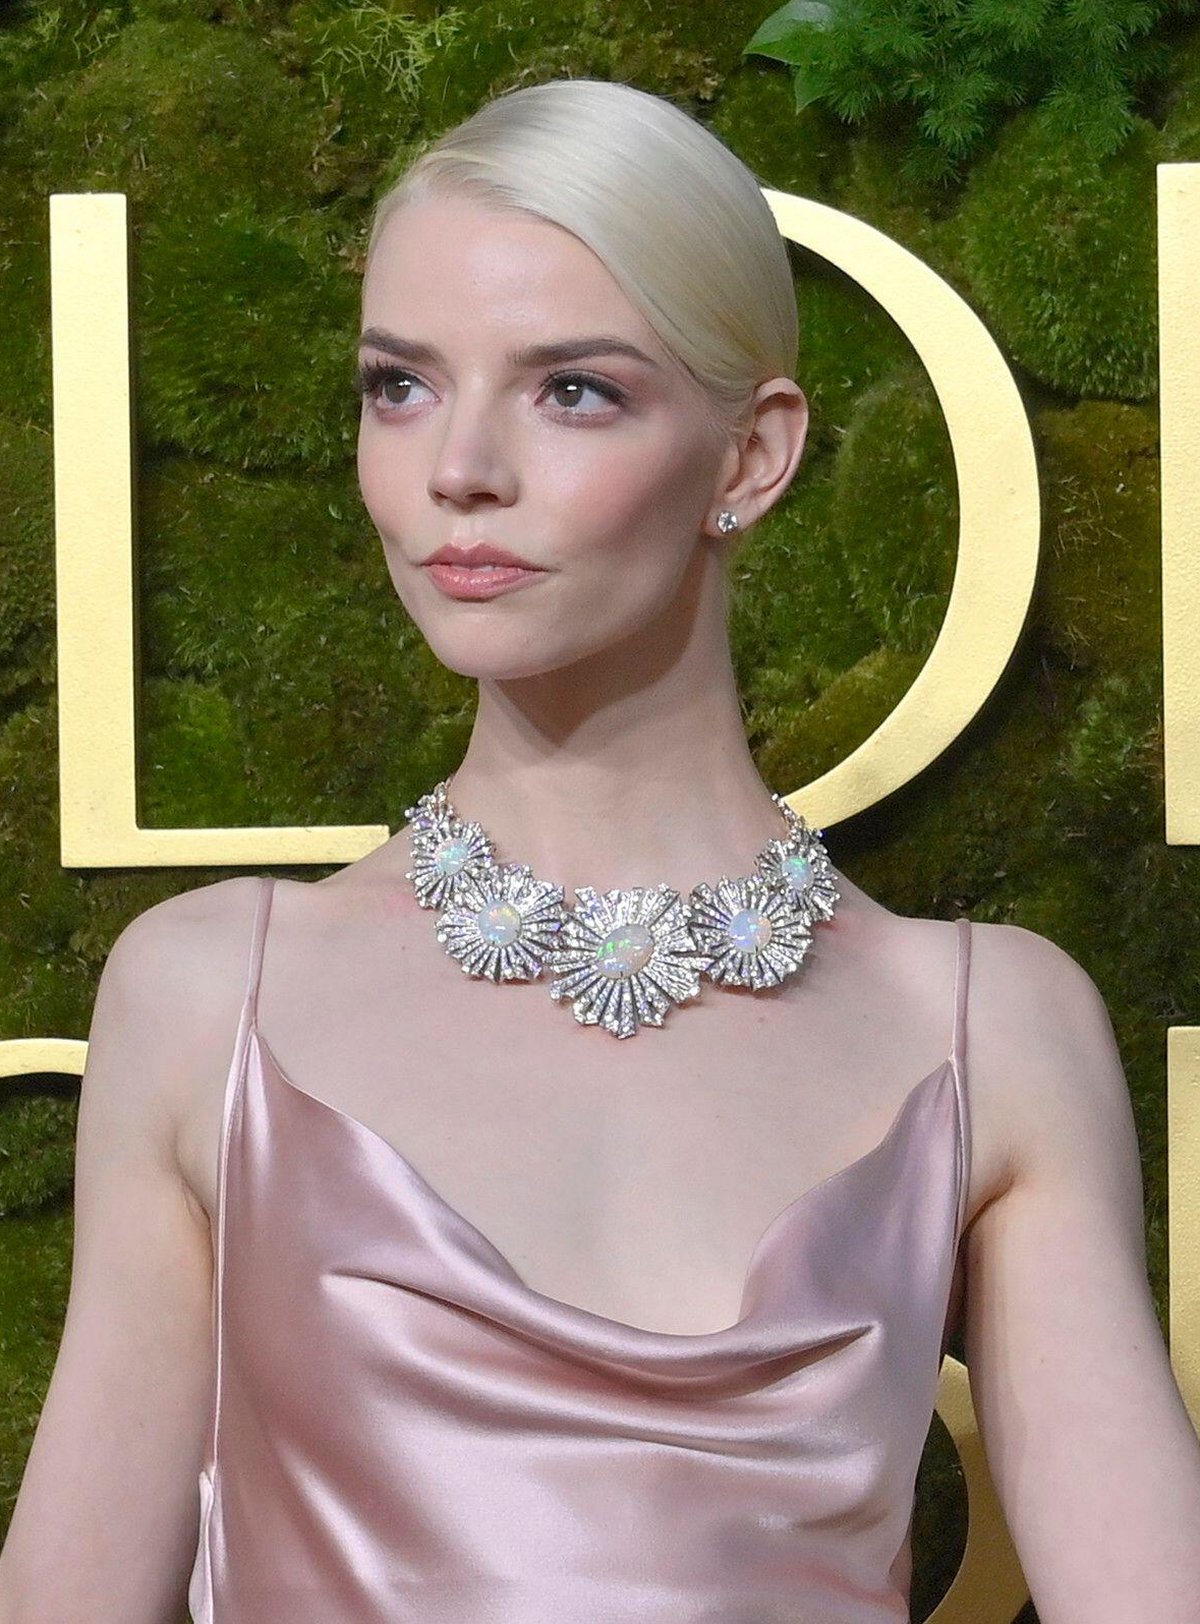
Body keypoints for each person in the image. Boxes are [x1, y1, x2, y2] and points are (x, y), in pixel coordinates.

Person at [3, 75, 1199, 1624]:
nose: (458, 471)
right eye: (400, 385)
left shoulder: (985, 1029)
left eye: (573, 390)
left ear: (752, 459)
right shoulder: (206, 998)